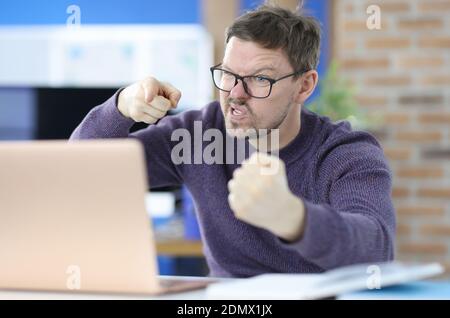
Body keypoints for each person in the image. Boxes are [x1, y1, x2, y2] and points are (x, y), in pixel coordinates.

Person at [70, 4, 395, 278]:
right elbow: (81, 172)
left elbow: (376, 248)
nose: (235, 95)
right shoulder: (198, 134)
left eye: (260, 78)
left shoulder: (343, 153)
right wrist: (121, 106)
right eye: (228, 75)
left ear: (304, 86)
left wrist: (293, 218)